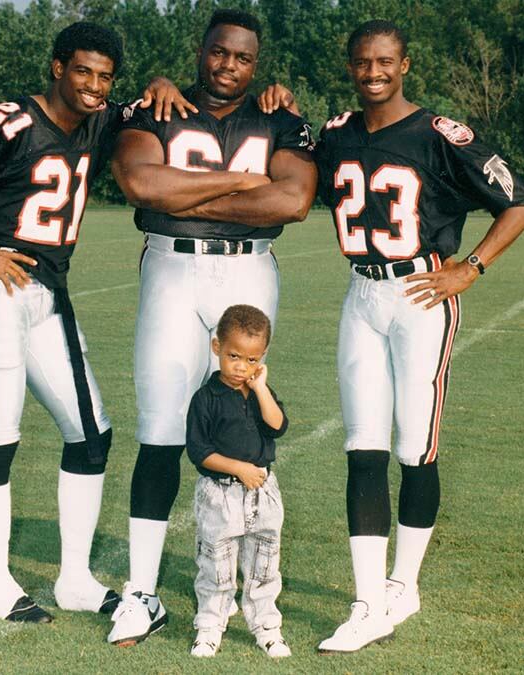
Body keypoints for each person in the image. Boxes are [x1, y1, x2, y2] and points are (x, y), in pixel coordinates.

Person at [0, 21, 194, 623]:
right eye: (82, 71)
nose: (95, 85)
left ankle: (74, 579)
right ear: (56, 67)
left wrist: (159, 80)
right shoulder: (9, 122)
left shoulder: (100, 117)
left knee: (91, 434)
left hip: (49, 293)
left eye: (104, 75)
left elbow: (146, 99)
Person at [308, 19, 524, 652]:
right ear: (349, 66)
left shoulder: (439, 134)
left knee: (414, 445)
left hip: (421, 293)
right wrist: (279, 105)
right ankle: (367, 599)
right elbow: (287, 150)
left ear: (406, 65)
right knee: (363, 446)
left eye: (384, 61)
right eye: (361, 62)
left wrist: (472, 266)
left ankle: (404, 583)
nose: (372, 72)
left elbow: (517, 200)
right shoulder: (337, 133)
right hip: (361, 294)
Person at [107, 8, 317, 647]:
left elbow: (294, 200)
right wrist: (240, 184)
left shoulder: (282, 116)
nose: (229, 66)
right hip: (173, 270)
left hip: (250, 273)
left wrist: (187, 190)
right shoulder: (155, 106)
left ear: (258, 65)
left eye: (243, 58)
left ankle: (247, 593)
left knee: (245, 424)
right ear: (201, 51)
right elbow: (143, 183)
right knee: (161, 429)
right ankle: (142, 592)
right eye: (219, 53)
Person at [186, 304, 290, 659]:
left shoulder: (259, 390)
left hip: (263, 492)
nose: (240, 367)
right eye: (233, 356)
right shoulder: (206, 399)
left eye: (251, 360)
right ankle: (209, 626)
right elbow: (199, 452)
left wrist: (260, 388)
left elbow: (277, 425)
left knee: (264, 563)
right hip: (221, 494)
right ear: (217, 348)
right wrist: (238, 468)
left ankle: (267, 627)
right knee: (216, 566)